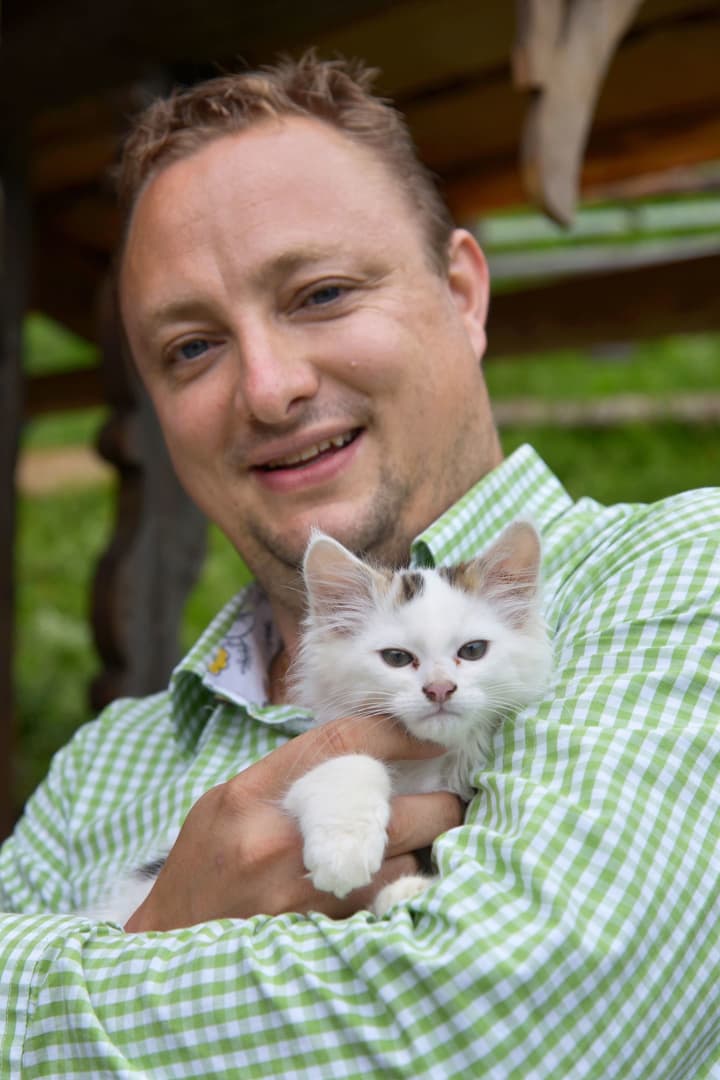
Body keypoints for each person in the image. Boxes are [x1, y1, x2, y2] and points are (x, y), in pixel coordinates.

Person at [1, 52, 719, 1078]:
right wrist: (163, 922)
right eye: (191, 348)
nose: (269, 387)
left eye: (323, 293)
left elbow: (502, 1037)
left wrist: (95, 972)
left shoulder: (685, 577)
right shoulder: (102, 767)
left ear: (463, 293)